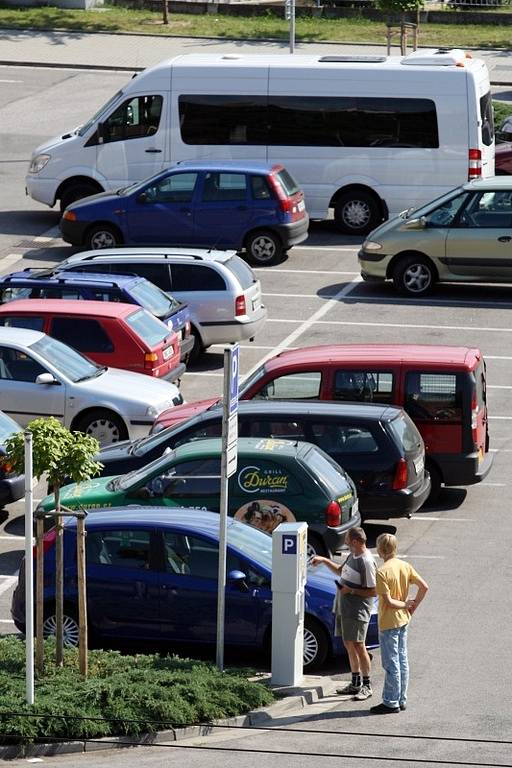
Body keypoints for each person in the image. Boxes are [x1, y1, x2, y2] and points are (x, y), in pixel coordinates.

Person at [311, 526, 376, 701]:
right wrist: (324, 560)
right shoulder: (352, 555)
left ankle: (367, 685)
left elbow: (373, 591)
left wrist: (351, 591)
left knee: (359, 646)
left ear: (355, 541)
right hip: (344, 608)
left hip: (357, 611)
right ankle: (355, 683)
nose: (345, 542)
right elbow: (341, 571)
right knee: (349, 644)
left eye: (347, 539)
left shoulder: (366, 562)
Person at [370, 533, 429, 715]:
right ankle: (401, 698)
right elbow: (424, 586)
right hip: (403, 619)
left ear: (380, 549)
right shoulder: (404, 566)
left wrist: (404, 604)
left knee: (391, 662)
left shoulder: (382, 572)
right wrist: (412, 606)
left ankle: (390, 701)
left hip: (389, 621)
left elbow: (388, 601)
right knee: (402, 659)